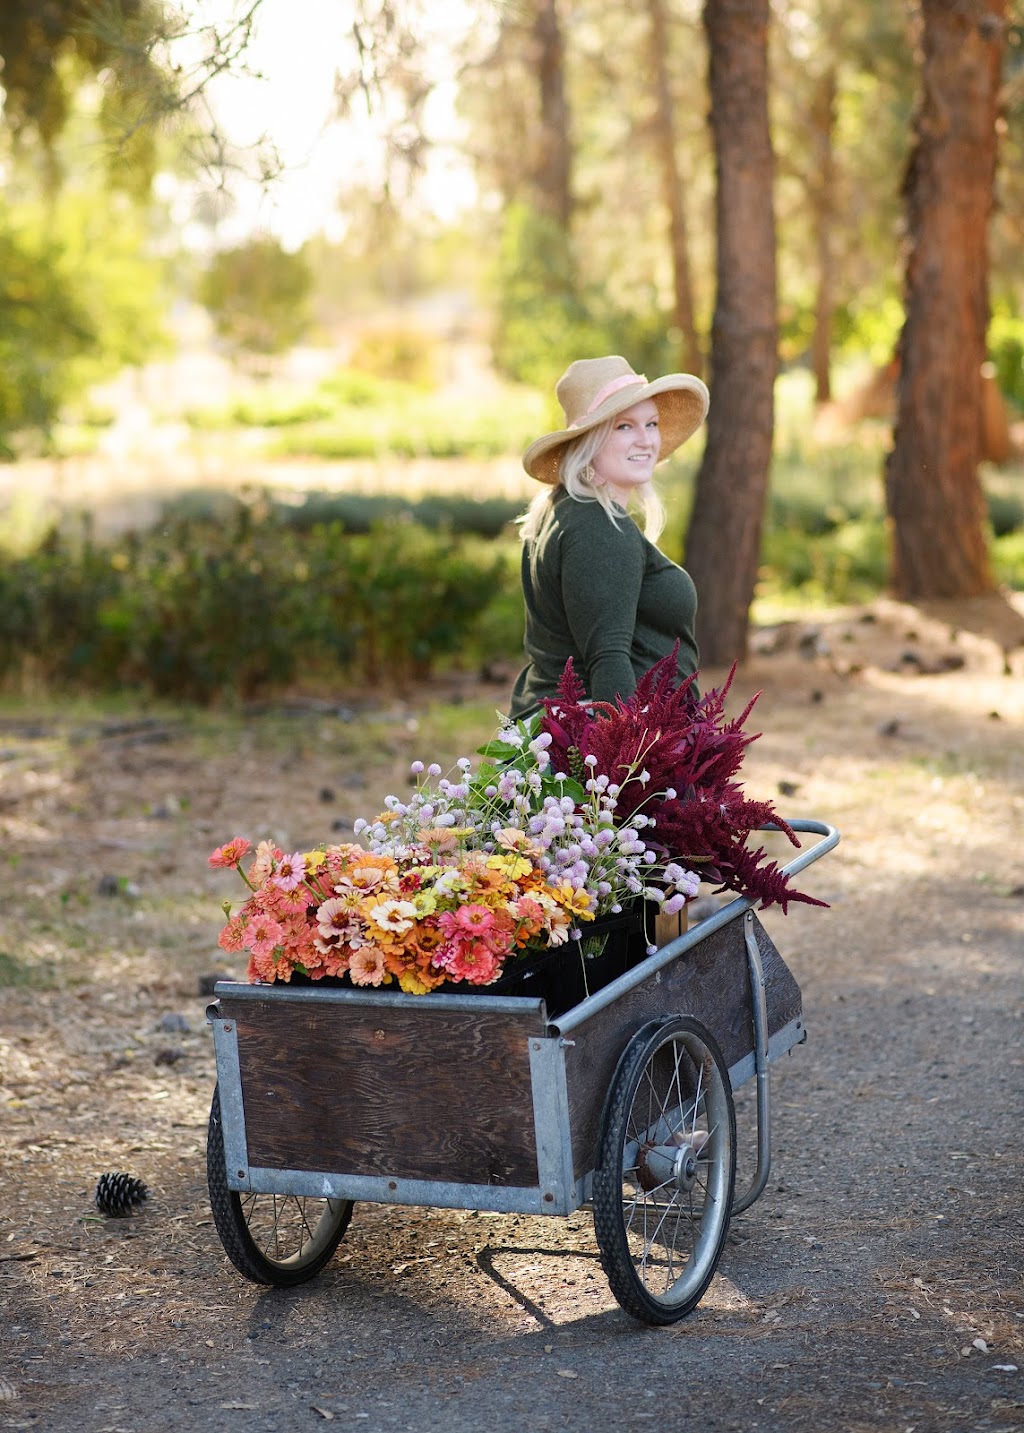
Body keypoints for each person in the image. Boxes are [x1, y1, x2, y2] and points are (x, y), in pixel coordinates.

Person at [508, 354, 710, 721]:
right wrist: (628, 767)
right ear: (589, 440)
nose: (646, 440)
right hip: (593, 747)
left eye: (651, 423)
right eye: (624, 427)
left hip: (564, 737)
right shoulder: (598, 527)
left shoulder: (567, 510)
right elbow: (608, 660)